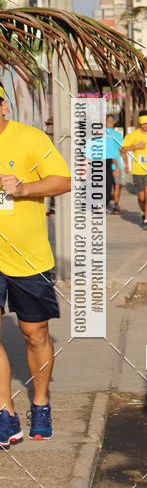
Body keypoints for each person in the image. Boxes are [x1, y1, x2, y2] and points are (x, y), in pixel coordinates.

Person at [0, 85, 71, 445]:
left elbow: (63, 180)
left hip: (29, 258)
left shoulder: (30, 138)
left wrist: (23, 189)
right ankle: (5, 411)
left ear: (4, 105)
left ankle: (40, 403)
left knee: (35, 333)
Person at [121, 110, 147, 230]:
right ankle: (145, 213)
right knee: (141, 197)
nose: (145, 126)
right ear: (140, 123)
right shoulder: (133, 135)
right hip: (138, 170)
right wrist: (135, 147)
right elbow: (122, 149)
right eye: (143, 124)